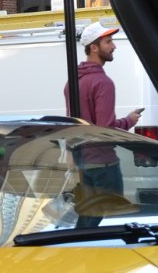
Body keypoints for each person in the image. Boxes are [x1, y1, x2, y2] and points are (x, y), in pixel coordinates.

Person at [62, 20, 144, 218]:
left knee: (90, 218)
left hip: (83, 162)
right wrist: (129, 120)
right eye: (108, 42)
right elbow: (105, 128)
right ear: (94, 47)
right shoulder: (103, 83)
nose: (114, 46)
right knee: (113, 218)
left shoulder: (72, 82)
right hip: (104, 163)